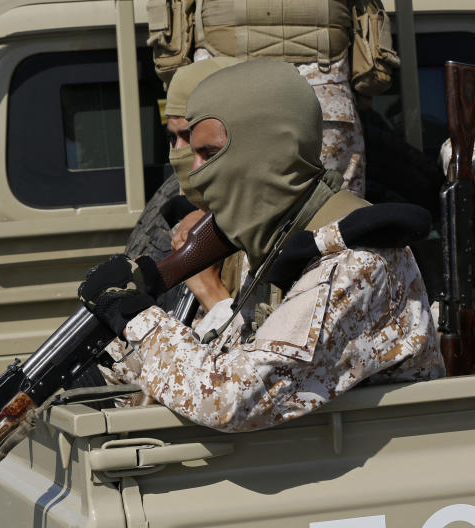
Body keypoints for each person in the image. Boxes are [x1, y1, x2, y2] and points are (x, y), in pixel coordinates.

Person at [90, 60, 443, 432]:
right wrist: (112, 348)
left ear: (266, 149)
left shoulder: (358, 262)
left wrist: (138, 319)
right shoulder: (279, 242)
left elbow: (231, 400)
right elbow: (223, 353)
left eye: (209, 154)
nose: (194, 172)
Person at [146, 0, 392, 198]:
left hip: (222, 92)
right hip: (323, 95)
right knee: (334, 221)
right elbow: (372, 66)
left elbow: (172, 54)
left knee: (210, 222)